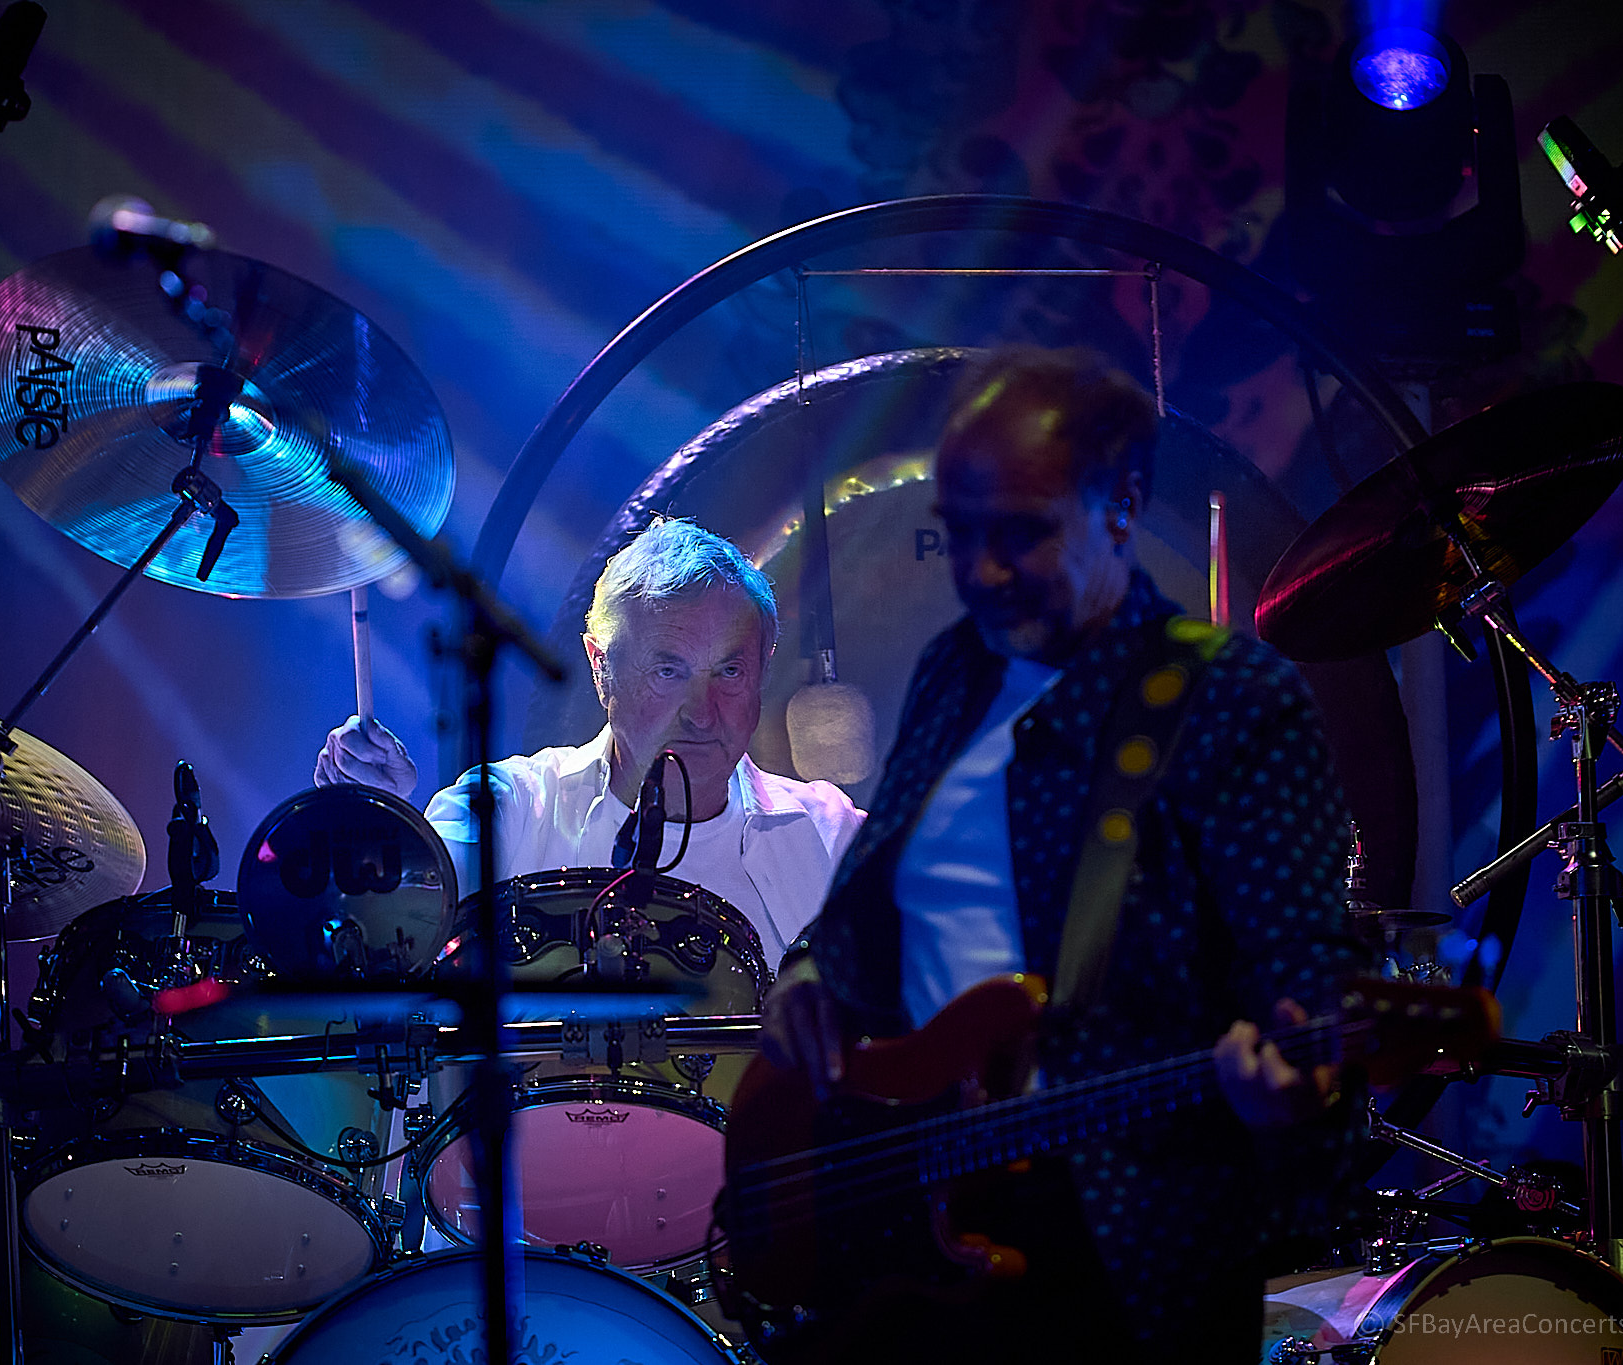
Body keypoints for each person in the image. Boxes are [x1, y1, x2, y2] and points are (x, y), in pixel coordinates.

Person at [756, 348, 1370, 1361]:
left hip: (1126, 1258)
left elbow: (1304, 968)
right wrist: (813, 976)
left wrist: (1296, 1074)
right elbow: (870, 914)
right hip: (910, 1240)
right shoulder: (952, 668)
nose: (981, 574)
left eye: (1023, 536)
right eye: (960, 536)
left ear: (1121, 504)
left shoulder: (1227, 702)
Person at [314, 517, 865, 966]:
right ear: (601, 667)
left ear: (763, 669)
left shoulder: (829, 834)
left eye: (728, 672)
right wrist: (375, 829)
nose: (701, 714)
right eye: (668, 672)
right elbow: (380, 932)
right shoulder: (512, 806)